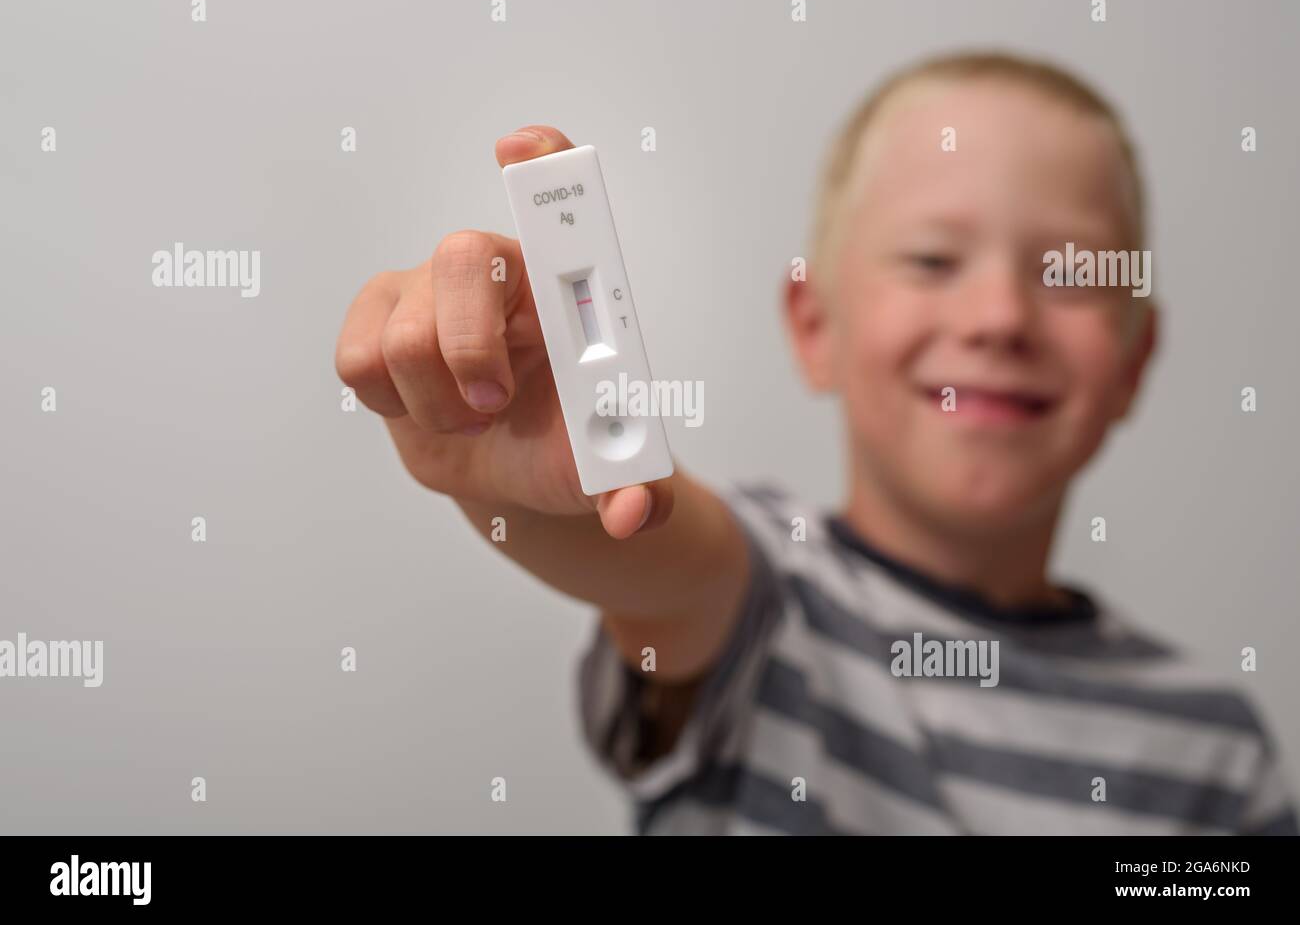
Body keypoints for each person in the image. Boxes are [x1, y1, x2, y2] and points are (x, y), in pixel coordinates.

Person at [334, 51, 1296, 834]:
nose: (1002, 314)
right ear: (814, 326)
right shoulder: (767, 601)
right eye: (931, 259)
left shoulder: (1218, 750)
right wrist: (516, 461)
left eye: (1069, 272)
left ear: (1135, 360)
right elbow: (655, 560)